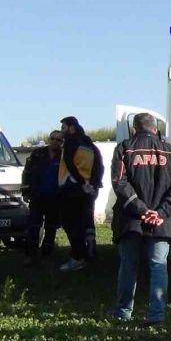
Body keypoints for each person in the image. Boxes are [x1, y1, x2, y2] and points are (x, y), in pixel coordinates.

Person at [110, 113, 171, 326]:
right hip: (162, 221)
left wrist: (141, 209)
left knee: (128, 266)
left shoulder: (124, 149)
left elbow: (119, 183)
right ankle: (156, 316)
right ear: (155, 129)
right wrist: (160, 212)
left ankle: (123, 313)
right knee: (158, 265)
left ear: (134, 129)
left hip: (130, 219)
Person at [57, 116, 104, 272]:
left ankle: (78, 257)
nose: (62, 132)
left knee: (69, 223)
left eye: (64, 128)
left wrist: (80, 181)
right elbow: (99, 166)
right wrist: (93, 185)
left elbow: (69, 163)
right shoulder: (89, 144)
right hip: (88, 191)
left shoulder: (71, 141)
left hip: (72, 188)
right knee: (86, 222)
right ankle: (90, 252)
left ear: (71, 127)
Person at [21, 130, 63, 266]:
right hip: (37, 196)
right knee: (33, 227)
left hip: (55, 199)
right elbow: (26, 173)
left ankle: (46, 255)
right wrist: (26, 191)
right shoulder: (37, 154)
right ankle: (30, 255)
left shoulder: (64, 156)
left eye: (59, 140)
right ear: (49, 139)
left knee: (51, 229)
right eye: (53, 138)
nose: (55, 142)